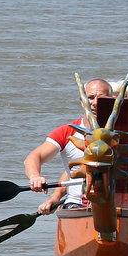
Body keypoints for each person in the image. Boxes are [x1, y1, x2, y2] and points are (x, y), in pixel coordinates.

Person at [24, 79, 113, 214]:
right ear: (82, 101)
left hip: (117, 204)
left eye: (101, 98)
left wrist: (55, 197)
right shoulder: (67, 131)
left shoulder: (125, 131)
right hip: (76, 205)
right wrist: (35, 177)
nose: (95, 103)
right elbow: (34, 157)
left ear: (112, 100)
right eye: (90, 98)